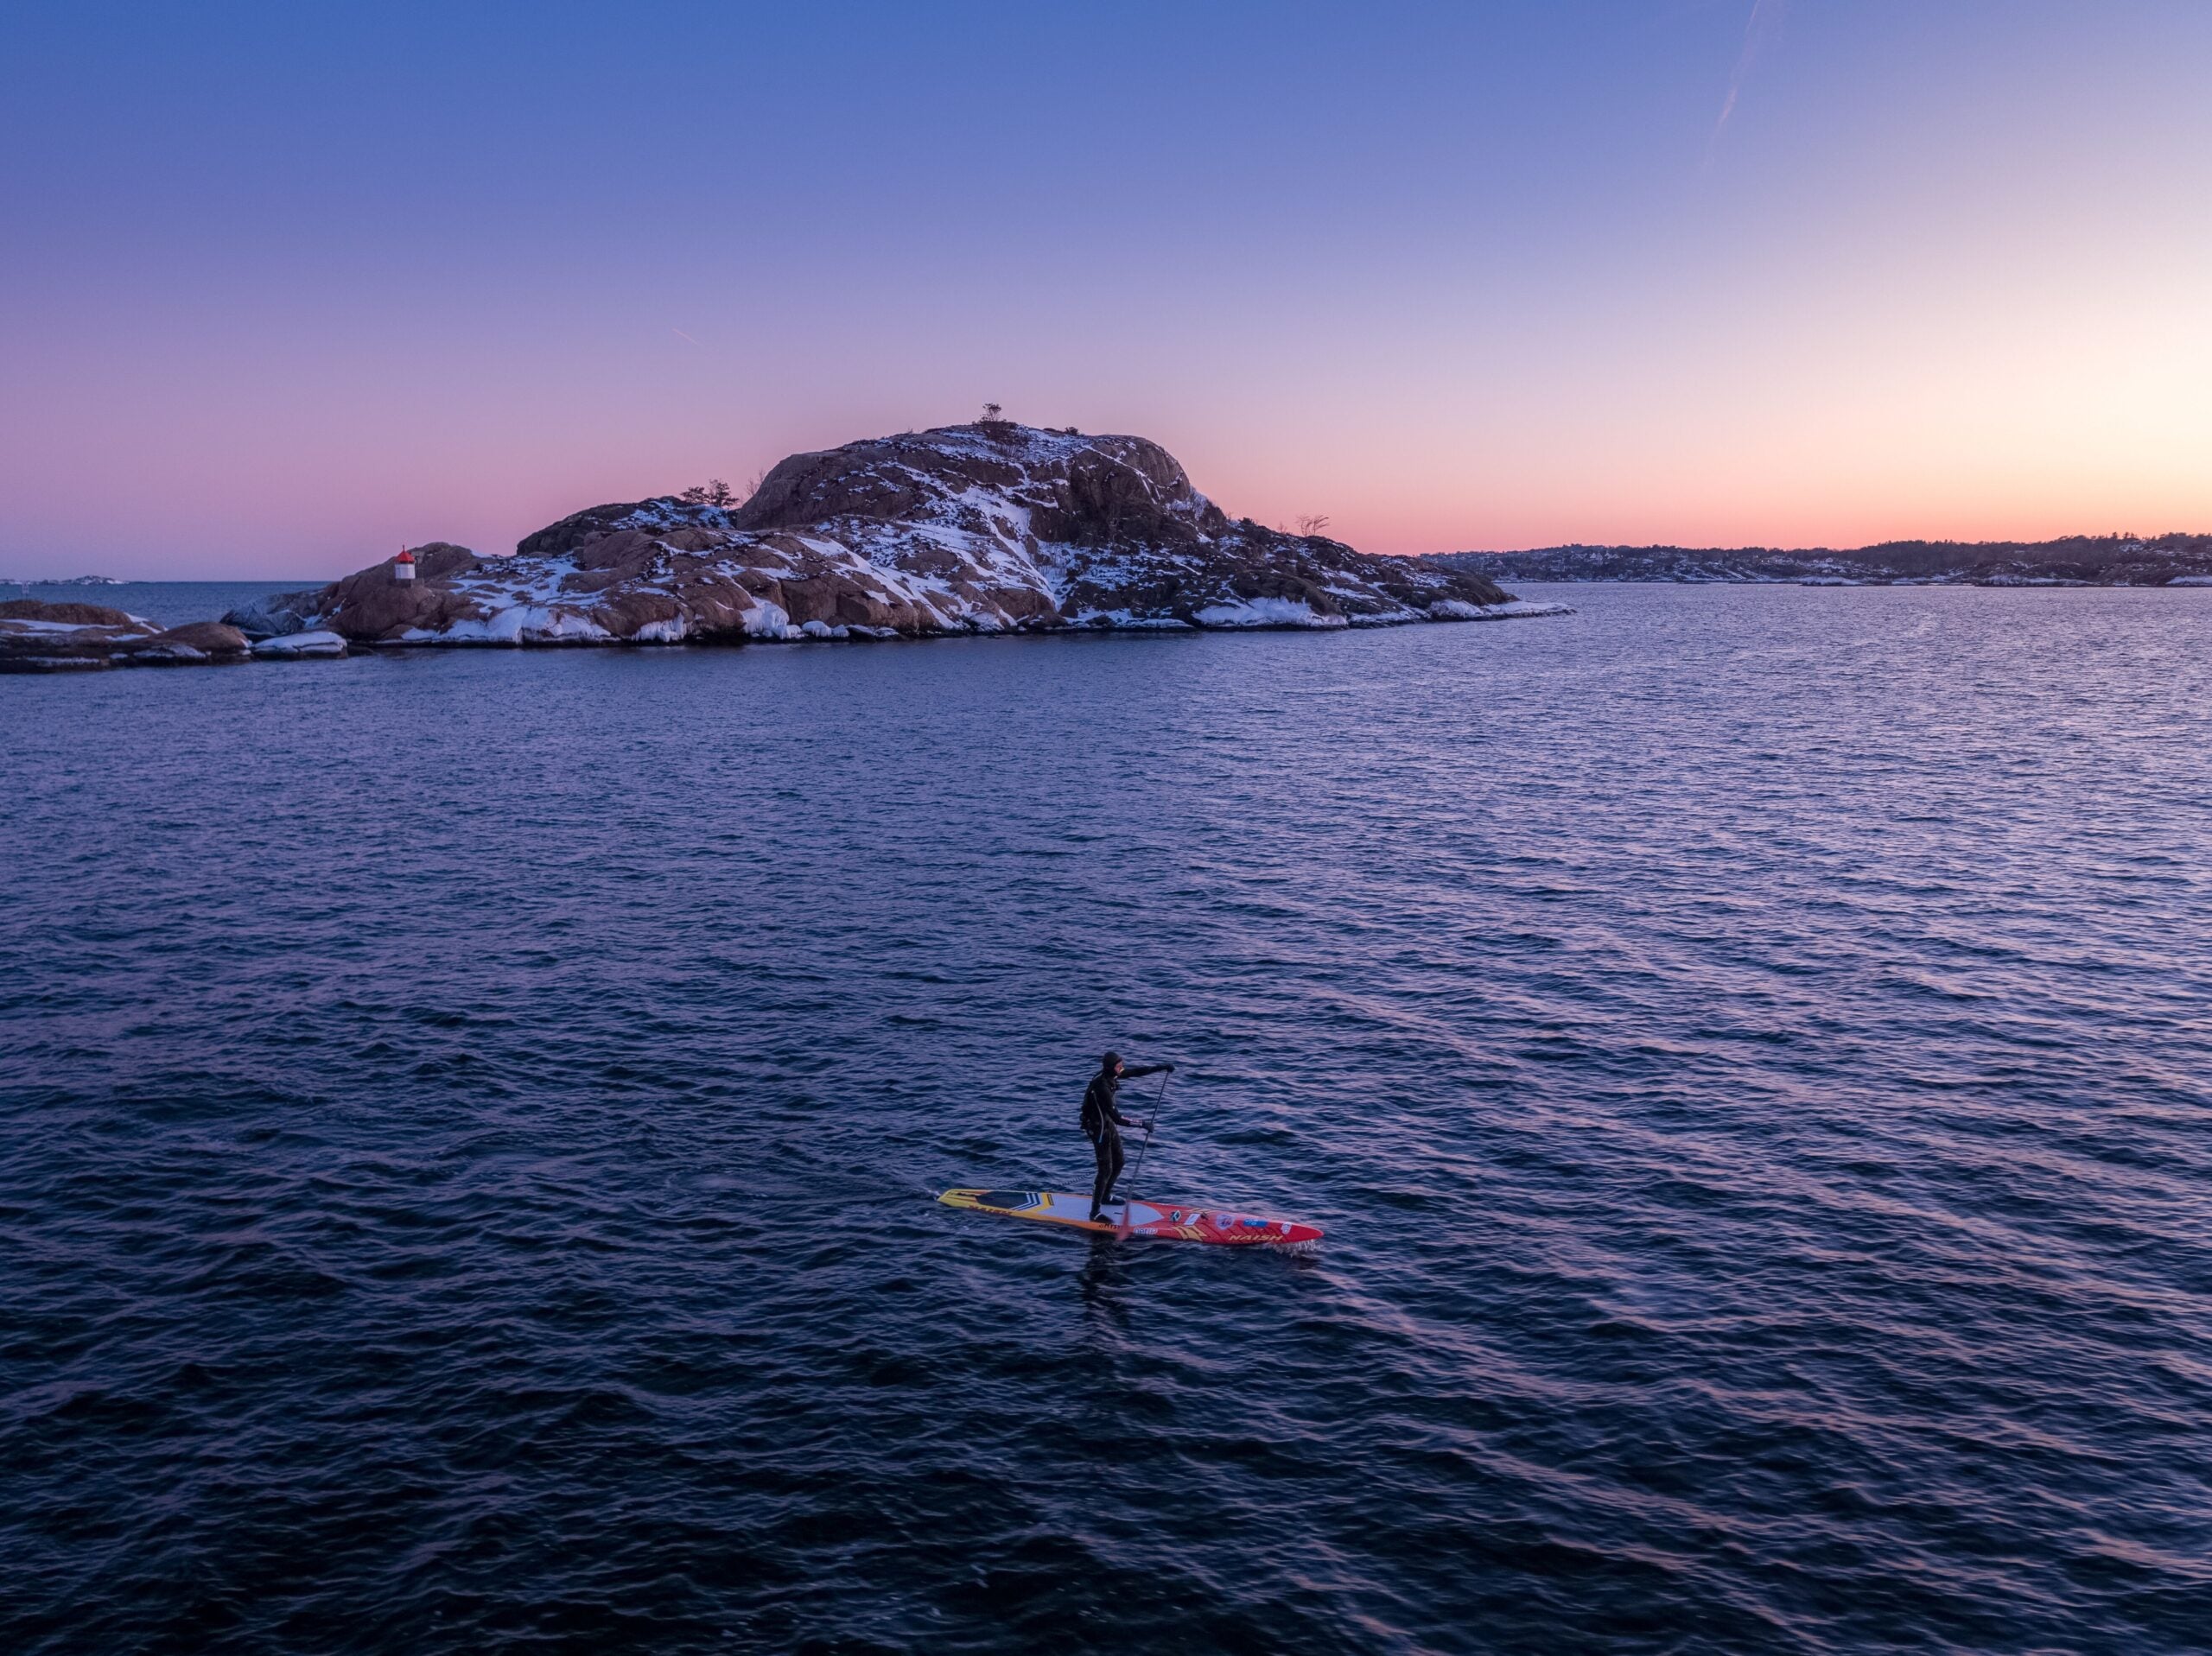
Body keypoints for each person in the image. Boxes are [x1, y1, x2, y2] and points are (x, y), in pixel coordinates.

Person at [1082, 1051, 1173, 1223]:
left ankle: (1105, 1196)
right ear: (1110, 1068)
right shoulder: (1102, 1087)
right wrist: (1142, 1124)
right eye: (1118, 1066)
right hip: (1098, 1130)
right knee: (1105, 1170)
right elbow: (1118, 1118)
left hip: (1108, 1126)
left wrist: (1160, 1068)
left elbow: (1136, 1072)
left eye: (1121, 1065)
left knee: (1120, 1161)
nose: (1121, 1068)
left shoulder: (1111, 1075)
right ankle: (1094, 1213)